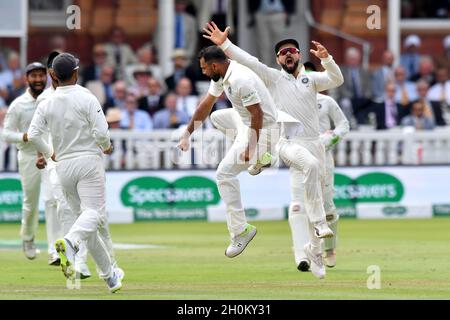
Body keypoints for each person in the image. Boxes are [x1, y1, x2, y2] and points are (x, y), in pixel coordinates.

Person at [203, 22, 343, 279]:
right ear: (278, 59)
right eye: (282, 52)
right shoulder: (271, 77)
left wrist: (328, 59)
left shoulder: (309, 79)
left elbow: (336, 79)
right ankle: (318, 223)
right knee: (307, 178)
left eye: (292, 50)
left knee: (324, 198)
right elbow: (248, 60)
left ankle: (313, 250)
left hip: (315, 144)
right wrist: (224, 44)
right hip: (288, 141)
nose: (288, 54)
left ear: (299, 55)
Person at [27, 53, 123, 293]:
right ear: (76, 73)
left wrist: (50, 153)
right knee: (93, 216)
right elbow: (101, 132)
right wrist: (107, 146)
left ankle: (110, 276)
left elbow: (34, 135)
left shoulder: (46, 101)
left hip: (63, 167)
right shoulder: (86, 96)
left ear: (53, 75)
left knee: (85, 219)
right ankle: (70, 241)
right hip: (88, 161)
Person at [177, 46, 280, 259]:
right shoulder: (223, 74)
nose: (203, 72)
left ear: (215, 65)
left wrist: (250, 147)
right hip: (245, 122)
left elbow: (257, 114)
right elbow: (206, 105)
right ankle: (260, 158)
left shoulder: (239, 80)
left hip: (264, 130)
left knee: (224, 174)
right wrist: (187, 134)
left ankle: (241, 230)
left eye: (205, 68)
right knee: (216, 117)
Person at [2, 62, 63, 264]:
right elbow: (7, 134)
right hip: (28, 157)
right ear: (26, 78)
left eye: (41, 75)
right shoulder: (18, 104)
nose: (38, 79)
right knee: (31, 204)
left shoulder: (53, 98)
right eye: (33, 76)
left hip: (49, 156)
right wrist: (26, 137)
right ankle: (28, 238)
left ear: (47, 76)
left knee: (53, 200)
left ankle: (54, 249)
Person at [293, 61, 349, 269]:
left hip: (324, 158)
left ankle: (329, 249)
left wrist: (330, 139)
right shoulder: (291, 103)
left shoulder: (326, 102)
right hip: (299, 158)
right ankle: (306, 254)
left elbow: (344, 125)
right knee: (301, 206)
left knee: (327, 207)